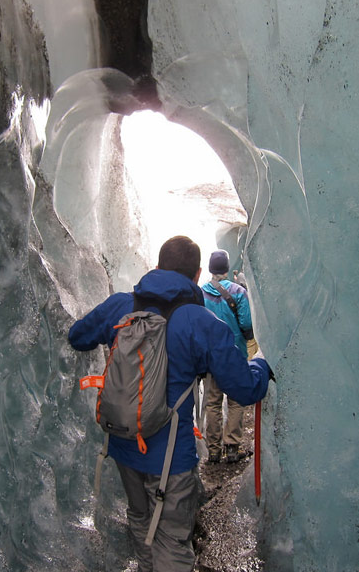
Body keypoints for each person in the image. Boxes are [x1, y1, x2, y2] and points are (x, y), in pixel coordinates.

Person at [68, 236, 272, 572]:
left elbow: (78, 337)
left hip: (123, 440)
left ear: (158, 266)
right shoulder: (200, 321)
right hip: (170, 457)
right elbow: (246, 389)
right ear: (196, 275)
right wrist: (262, 365)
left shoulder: (122, 305)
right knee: (173, 539)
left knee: (140, 519)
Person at [201, 250, 255, 464]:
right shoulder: (238, 292)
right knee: (235, 401)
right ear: (226, 267)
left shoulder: (200, 293)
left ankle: (213, 450)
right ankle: (232, 447)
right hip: (235, 353)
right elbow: (247, 324)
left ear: (210, 269)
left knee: (213, 402)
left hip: (212, 356)